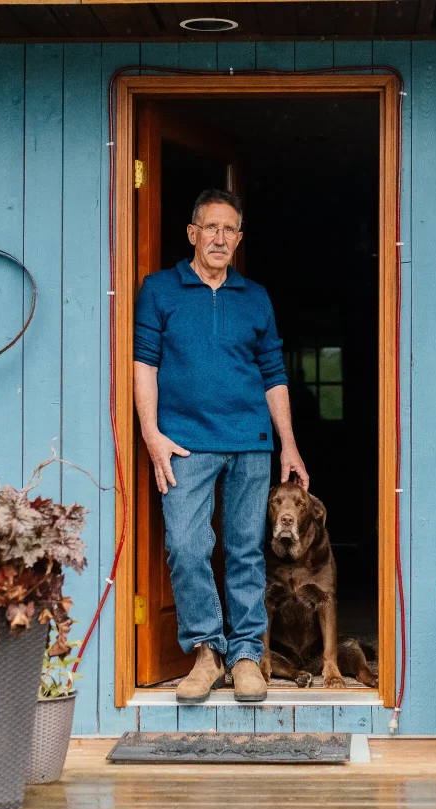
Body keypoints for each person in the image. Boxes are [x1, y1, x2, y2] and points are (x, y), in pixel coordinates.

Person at [133, 189, 309, 703]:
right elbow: (145, 364)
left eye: (229, 230)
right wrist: (151, 434)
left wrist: (289, 445)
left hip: (250, 443)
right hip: (183, 443)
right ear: (192, 233)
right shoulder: (160, 290)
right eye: (210, 228)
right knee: (187, 548)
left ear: (238, 239)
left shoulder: (255, 297)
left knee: (245, 551)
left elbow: (273, 373)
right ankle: (207, 652)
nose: (219, 238)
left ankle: (248, 654)